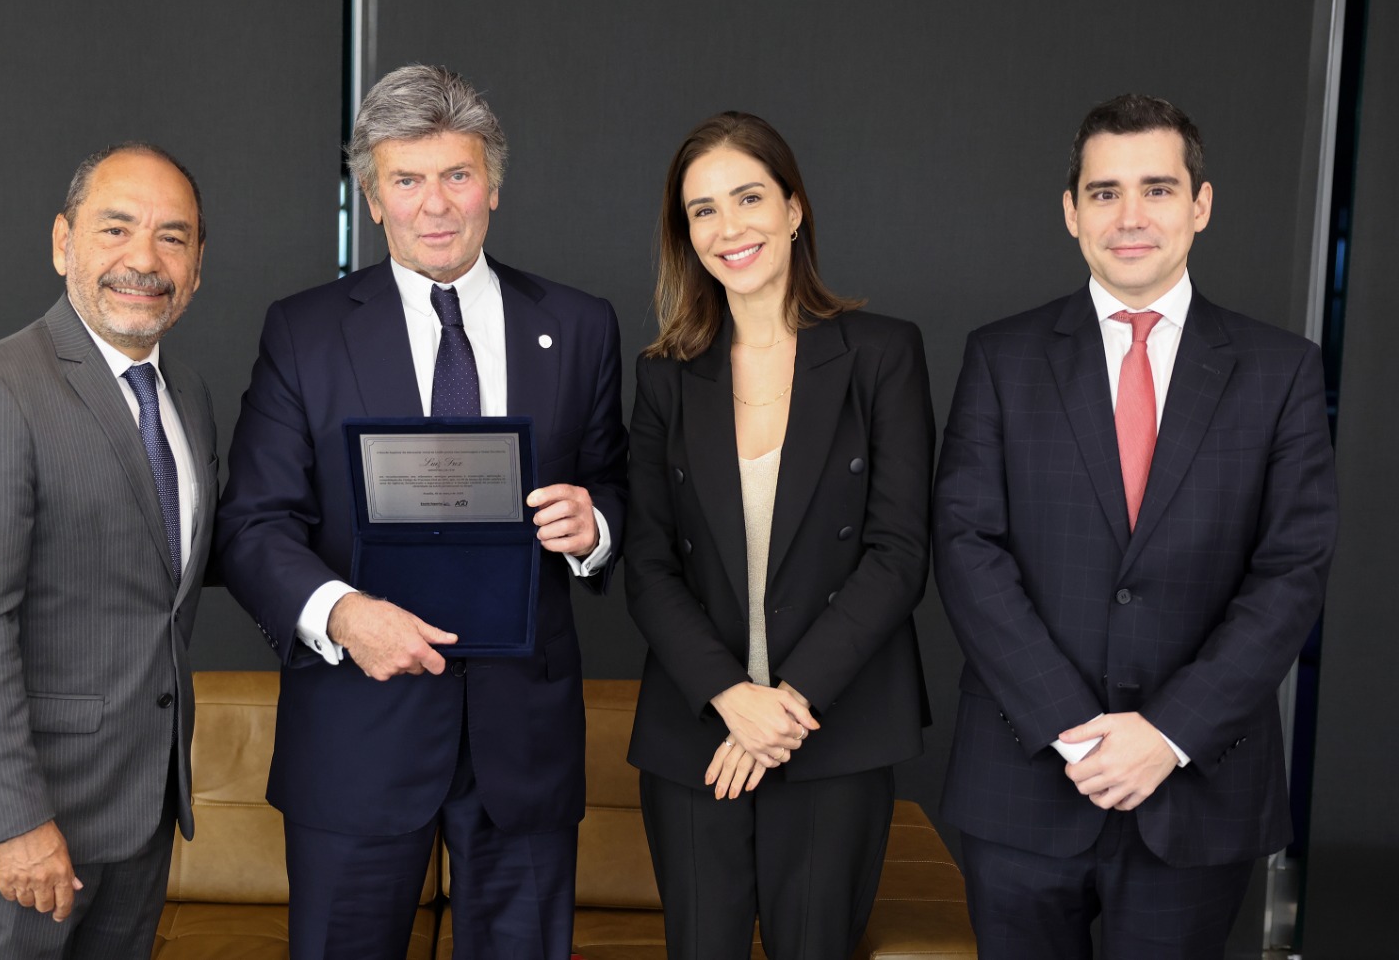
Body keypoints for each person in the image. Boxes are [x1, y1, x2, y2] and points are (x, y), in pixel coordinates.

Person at [216, 64, 628, 960]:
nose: (434, 205)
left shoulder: (581, 325)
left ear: (492, 186)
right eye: (406, 180)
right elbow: (252, 522)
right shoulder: (304, 330)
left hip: (522, 741)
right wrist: (342, 615)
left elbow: (616, 484)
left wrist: (595, 531)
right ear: (372, 197)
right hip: (357, 731)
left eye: (457, 175)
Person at [934, 94, 1338, 958]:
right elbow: (967, 547)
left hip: (1200, 787)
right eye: (1104, 191)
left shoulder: (1281, 371)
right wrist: (1075, 731)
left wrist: (1168, 733)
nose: (1130, 217)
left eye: (1157, 189)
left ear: (1200, 204)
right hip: (1025, 781)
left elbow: (1293, 570)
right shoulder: (999, 358)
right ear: (1071, 210)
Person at [624, 111, 934, 958]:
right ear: (685, 235)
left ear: (795, 208)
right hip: (700, 734)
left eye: (749, 197)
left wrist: (786, 708)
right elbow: (648, 565)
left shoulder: (883, 355)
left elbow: (899, 553)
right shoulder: (664, 378)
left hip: (836, 727)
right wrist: (733, 698)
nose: (730, 228)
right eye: (703, 210)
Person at [0, 143, 216, 959]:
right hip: (31, 820)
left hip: (141, 809)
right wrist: (17, 823)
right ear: (62, 243)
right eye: (116, 229)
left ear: (197, 265)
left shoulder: (186, 395)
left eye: (172, 237)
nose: (143, 261)